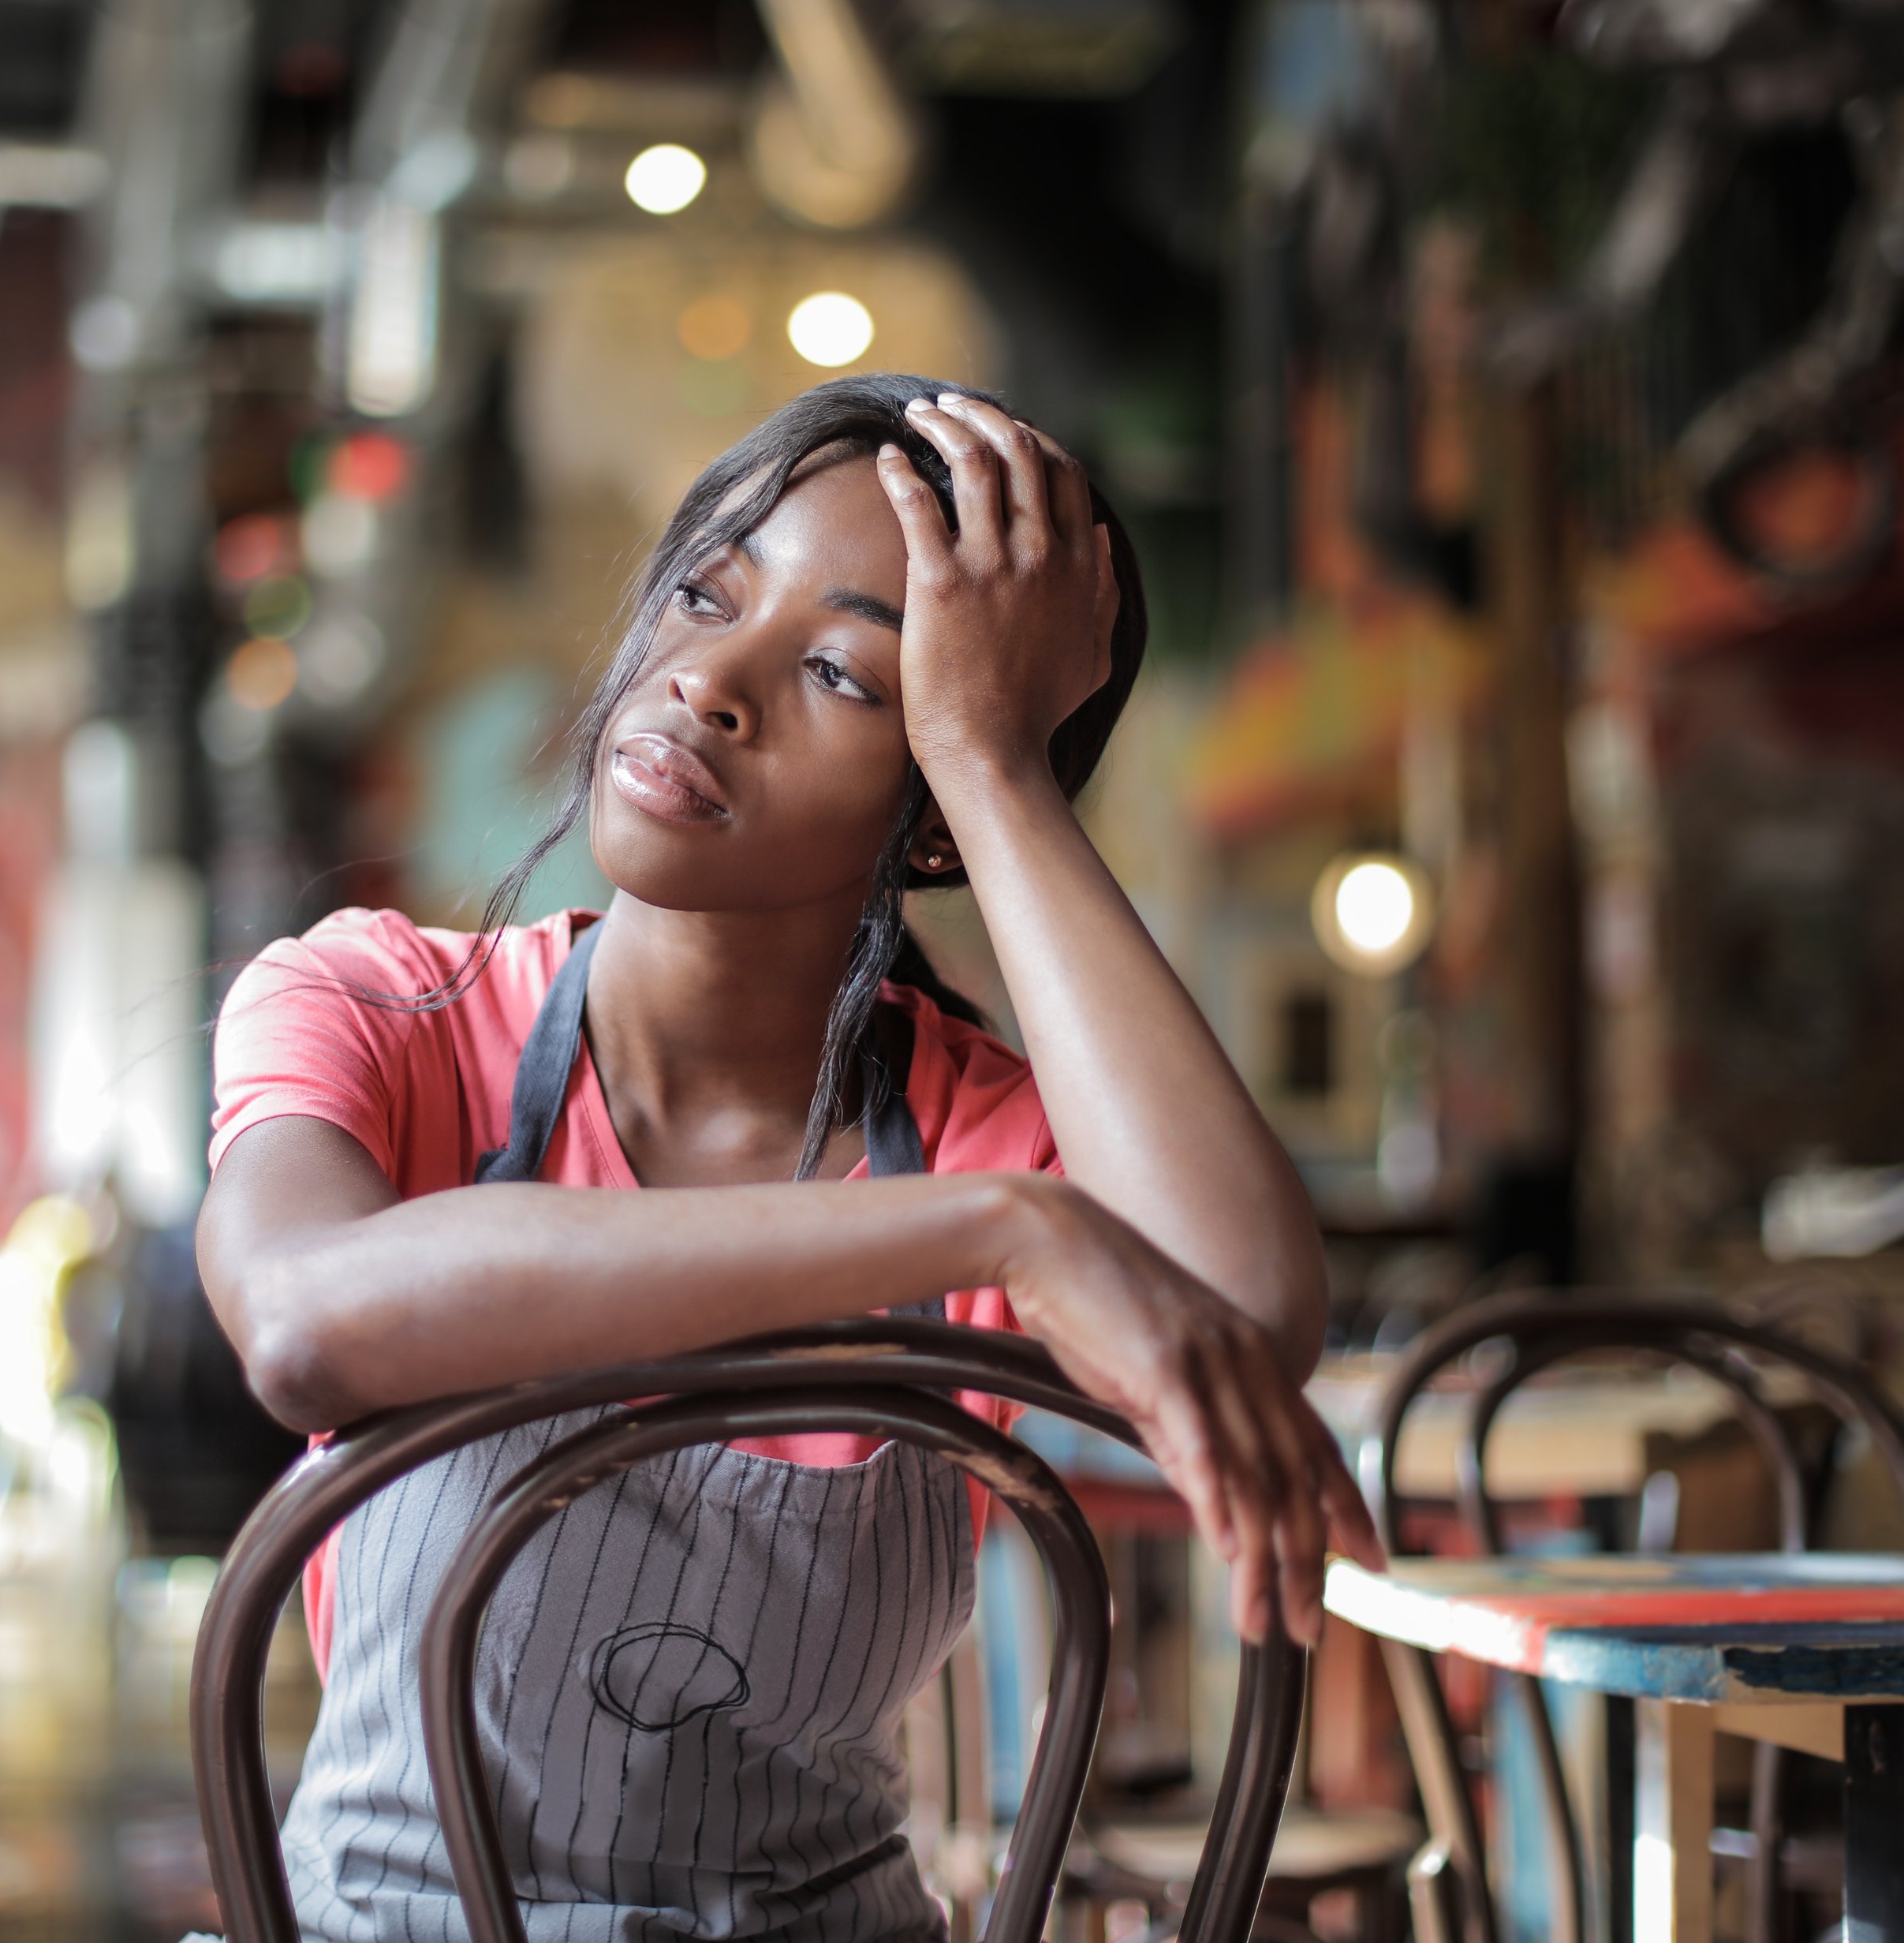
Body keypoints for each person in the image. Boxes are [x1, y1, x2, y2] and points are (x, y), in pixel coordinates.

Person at [199, 373, 1381, 1943]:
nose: (710, 681)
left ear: (936, 811)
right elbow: (304, 1319)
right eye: (705, 591)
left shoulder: (973, 1124)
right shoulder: (377, 1007)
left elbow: (1241, 1308)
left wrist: (998, 765)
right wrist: (992, 1230)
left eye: (843, 670)